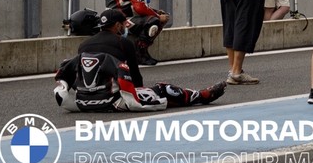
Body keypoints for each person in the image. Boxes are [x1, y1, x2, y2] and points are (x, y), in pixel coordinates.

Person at [55, 9, 225, 113]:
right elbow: (135, 77)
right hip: (113, 100)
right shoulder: (124, 43)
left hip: (83, 101)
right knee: (163, 89)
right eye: (123, 24)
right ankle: (200, 96)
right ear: (116, 26)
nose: (125, 27)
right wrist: (141, 92)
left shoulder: (83, 45)